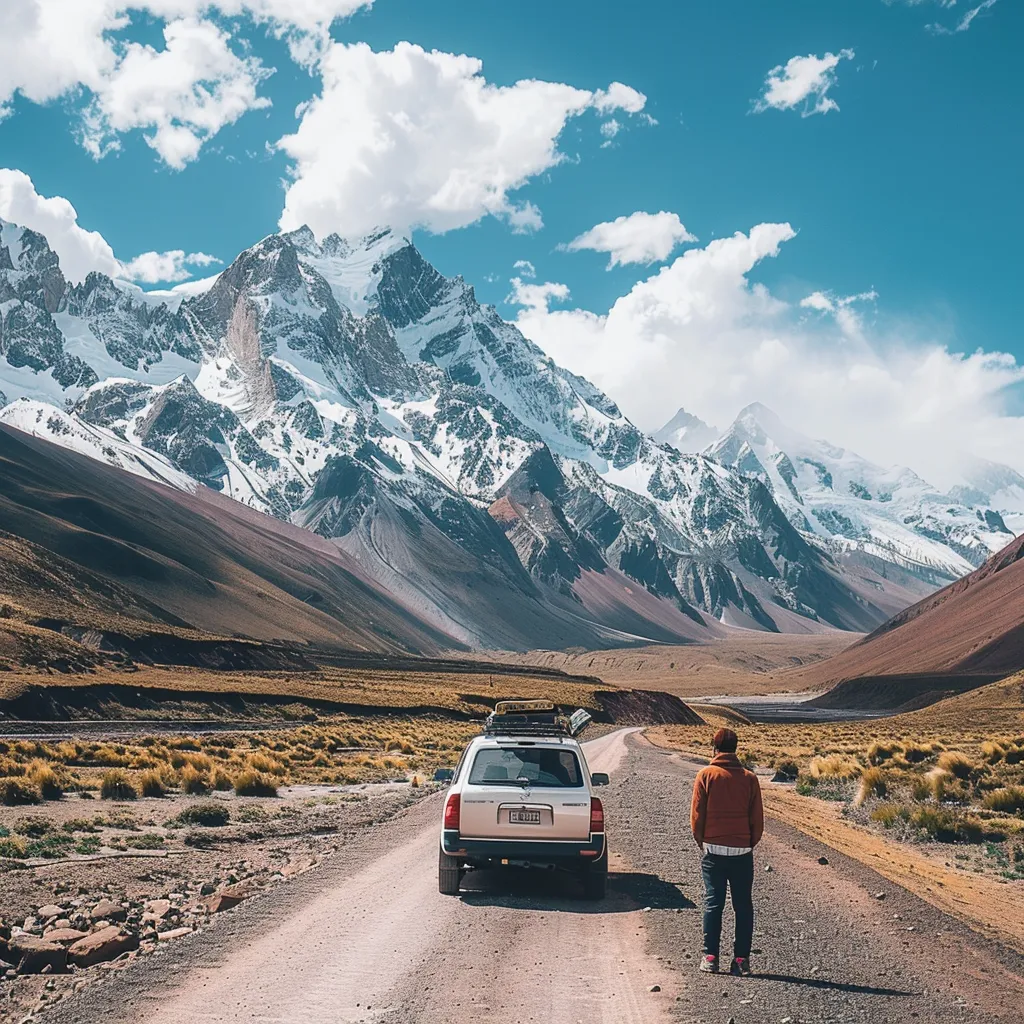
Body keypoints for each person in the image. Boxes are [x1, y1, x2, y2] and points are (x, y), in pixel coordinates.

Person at [690, 727, 764, 976]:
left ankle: (710, 957)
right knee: (743, 906)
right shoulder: (750, 778)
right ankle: (741, 961)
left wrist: (703, 841)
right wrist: (747, 843)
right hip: (742, 852)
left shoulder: (705, 775)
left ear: (715, 748)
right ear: (736, 749)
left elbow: (697, 817)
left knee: (713, 902)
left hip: (713, 850)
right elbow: (757, 820)